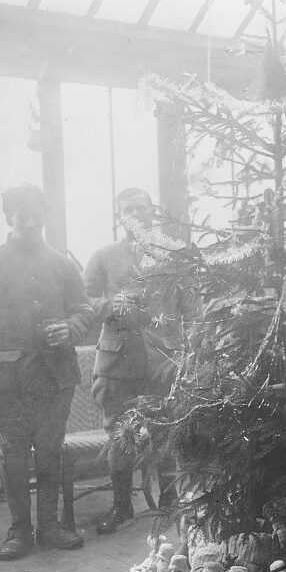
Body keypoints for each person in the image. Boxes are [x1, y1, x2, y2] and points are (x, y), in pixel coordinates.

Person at [84, 188, 200, 534]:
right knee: (121, 436)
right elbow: (86, 303)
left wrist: (189, 347)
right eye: (128, 211)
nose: (136, 216)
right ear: (119, 217)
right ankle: (121, 508)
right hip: (118, 365)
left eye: (142, 209)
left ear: (153, 213)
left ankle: (169, 504)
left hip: (163, 363)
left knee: (165, 434)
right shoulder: (103, 256)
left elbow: (193, 308)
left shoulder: (173, 255)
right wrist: (114, 304)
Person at [0, 184, 93, 559]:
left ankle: (50, 526)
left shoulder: (62, 263)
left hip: (55, 377)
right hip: (10, 380)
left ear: (43, 217)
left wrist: (70, 327)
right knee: (15, 454)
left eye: (35, 213)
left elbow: (84, 310)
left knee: (50, 451)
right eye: (20, 212)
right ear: (9, 217)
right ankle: (20, 530)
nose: (28, 219)